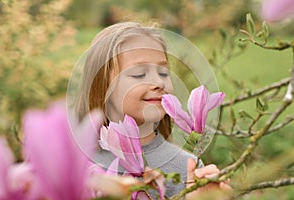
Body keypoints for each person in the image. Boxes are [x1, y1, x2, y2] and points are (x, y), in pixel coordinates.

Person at [74, 21, 231, 199]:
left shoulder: (188, 167)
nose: (158, 83)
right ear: (101, 86)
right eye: (139, 73)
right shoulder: (76, 164)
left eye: (163, 72)